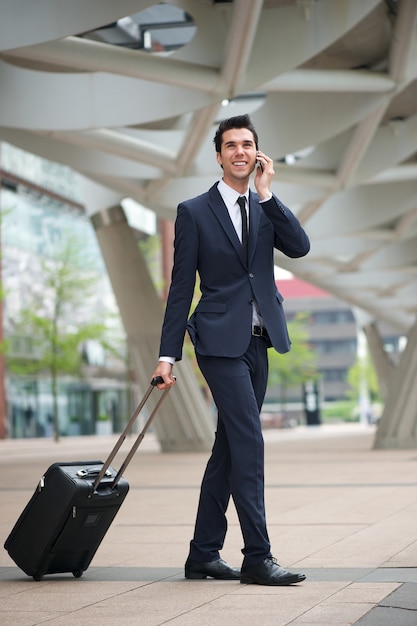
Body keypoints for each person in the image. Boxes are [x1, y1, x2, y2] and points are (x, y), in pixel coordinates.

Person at [152, 114, 310, 586]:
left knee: (228, 447)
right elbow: (181, 288)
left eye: (248, 144)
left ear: (258, 154)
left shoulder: (266, 207)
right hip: (218, 341)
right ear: (218, 155)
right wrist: (168, 355)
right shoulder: (194, 211)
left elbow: (299, 248)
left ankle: (202, 553)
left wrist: (267, 193)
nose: (240, 151)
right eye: (231, 145)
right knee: (248, 440)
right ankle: (257, 557)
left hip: (260, 341)